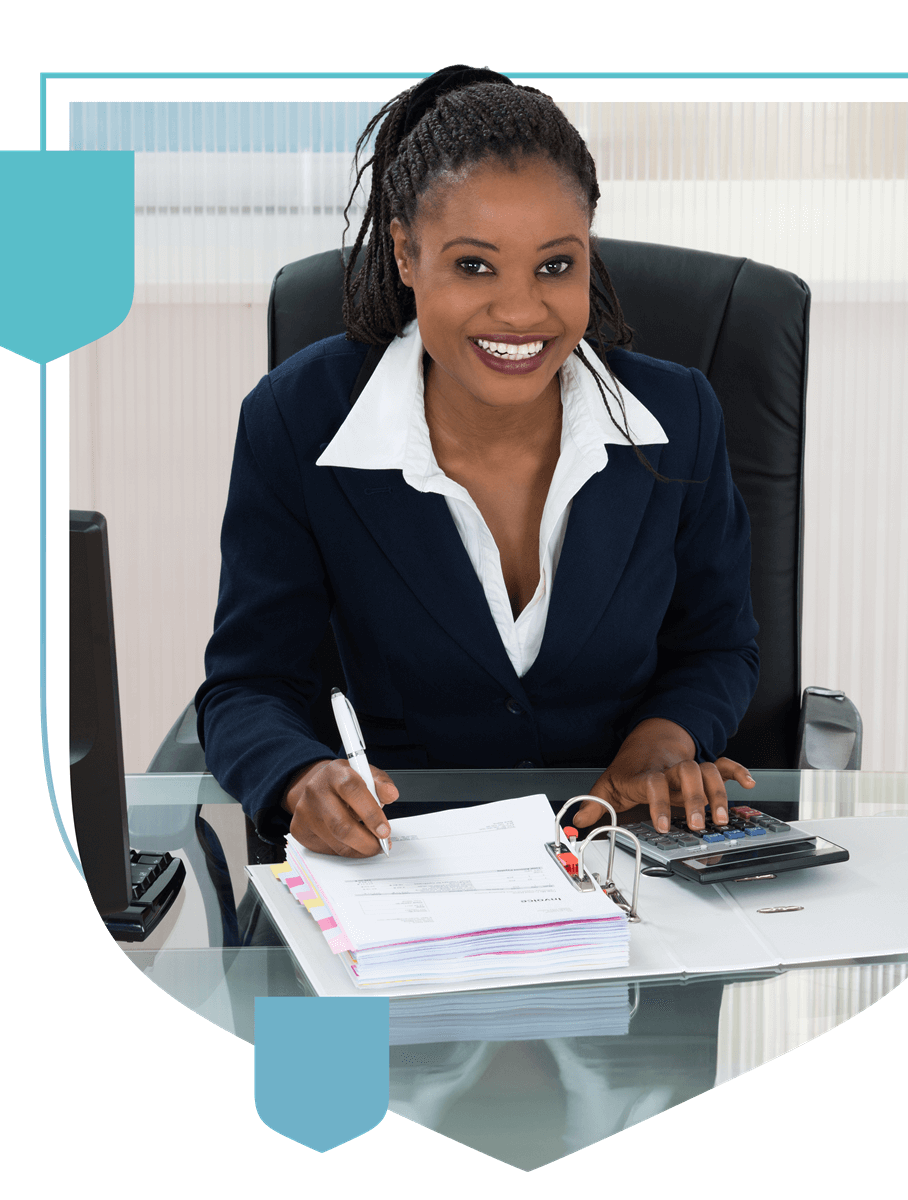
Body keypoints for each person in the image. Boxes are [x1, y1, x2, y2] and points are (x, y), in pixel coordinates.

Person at [196, 66, 760, 860]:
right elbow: (247, 686)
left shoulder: (679, 416)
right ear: (404, 252)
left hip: (627, 860)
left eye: (555, 266)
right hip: (403, 874)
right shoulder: (297, 420)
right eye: (473, 265)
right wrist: (296, 777)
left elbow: (717, 645)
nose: (521, 310)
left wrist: (664, 741)